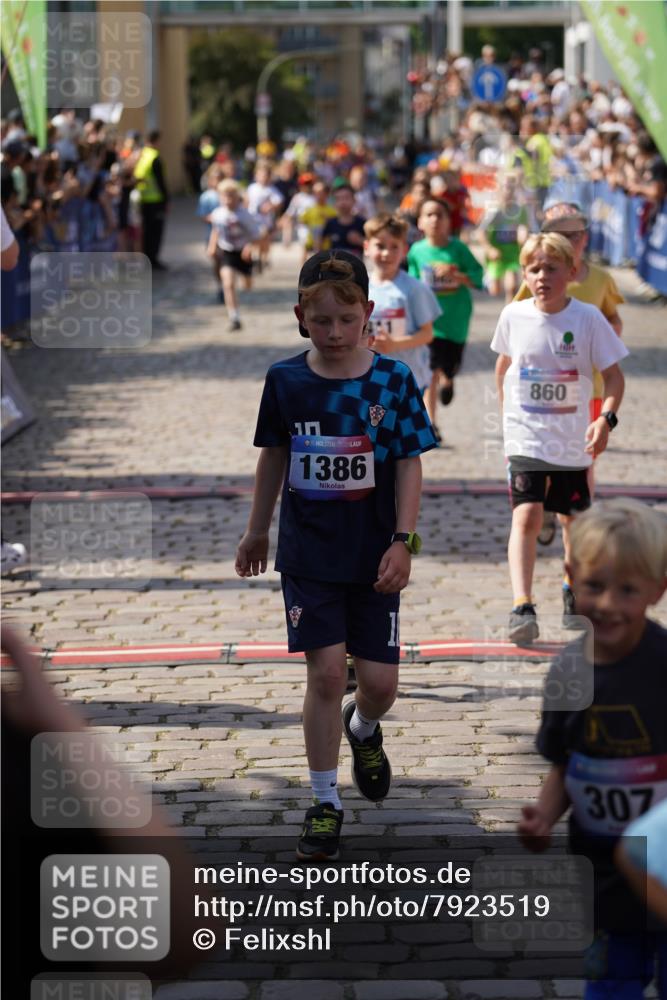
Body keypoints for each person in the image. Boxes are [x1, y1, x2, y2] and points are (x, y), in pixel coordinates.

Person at [234, 250, 436, 861]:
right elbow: (273, 455)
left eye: (346, 320)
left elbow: (408, 461)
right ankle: (324, 801)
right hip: (309, 554)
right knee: (324, 675)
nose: (335, 332)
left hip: (374, 556)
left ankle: (364, 727)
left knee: (378, 684)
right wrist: (257, 530)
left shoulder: (392, 380)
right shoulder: (286, 380)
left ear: (367, 314)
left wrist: (404, 541)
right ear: (301, 317)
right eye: (321, 321)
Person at [518, 499, 667, 998]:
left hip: (666, 876)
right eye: (594, 586)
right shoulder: (568, 673)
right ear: (570, 576)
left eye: (627, 590)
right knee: (609, 989)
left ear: (657, 588)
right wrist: (543, 813)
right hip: (603, 883)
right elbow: (565, 761)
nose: (607, 604)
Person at [491, 233, 627, 645]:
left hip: (571, 441)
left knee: (572, 522)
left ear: (571, 272)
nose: (541, 276)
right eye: (533, 269)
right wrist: (507, 416)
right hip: (526, 439)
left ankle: (572, 589)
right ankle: (522, 604)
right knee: (527, 516)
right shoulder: (513, 316)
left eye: (551, 268)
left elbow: (616, 377)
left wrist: (605, 419)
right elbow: (504, 366)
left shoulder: (588, 318)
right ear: (524, 273)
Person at [515, 201, 624, 555]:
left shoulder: (601, 279)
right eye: (556, 233)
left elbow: (614, 319)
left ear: (584, 238)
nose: (566, 240)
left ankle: (572, 526)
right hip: (541, 393)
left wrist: (606, 335)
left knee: (583, 466)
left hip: (587, 388)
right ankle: (545, 505)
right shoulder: (539, 273)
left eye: (572, 234)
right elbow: (518, 317)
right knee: (542, 463)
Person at [408, 198, 484, 444]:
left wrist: (456, 275)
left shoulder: (458, 249)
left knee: (448, 367)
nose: (434, 220)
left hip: (456, 321)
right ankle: (432, 424)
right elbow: (410, 281)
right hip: (429, 322)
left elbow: (478, 276)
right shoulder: (416, 251)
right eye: (428, 214)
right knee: (430, 371)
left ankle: (449, 380)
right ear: (420, 222)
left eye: (439, 214)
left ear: (448, 221)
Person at [364, 213, 441, 396]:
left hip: (407, 379)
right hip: (368, 376)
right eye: (380, 246)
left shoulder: (414, 289)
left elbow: (427, 333)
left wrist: (394, 344)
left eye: (394, 247)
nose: (386, 253)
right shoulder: (359, 288)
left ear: (404, 250)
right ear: (366, 247)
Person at [207, 179, 262, 332]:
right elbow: (216, 230)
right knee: (228, 283)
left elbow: (256, 236)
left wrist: (249, 247)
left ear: (238, 196)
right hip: (227, 252)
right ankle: (234, 317)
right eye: (224, 196)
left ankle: (248, 276)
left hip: (244, 253)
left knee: (247, 285)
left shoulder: (245, 215)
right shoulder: (218, 214)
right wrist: (212, 246)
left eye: (231, 196)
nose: (228, 200)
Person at [479, 173, 529, 302]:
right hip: (497, 254)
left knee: (512, 287)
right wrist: (489, 249)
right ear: (499, 190)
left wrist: (523, 236)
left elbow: (524, 227)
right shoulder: (494, 211)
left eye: (511, 189)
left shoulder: (520, 210)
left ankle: (509, 313)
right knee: (494, 291)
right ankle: (488, 279)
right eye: (505, 188)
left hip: (513, 253)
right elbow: (481, 232)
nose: (508, 192)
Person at [133, 130, 169, 270]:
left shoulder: (141, 155)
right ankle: (153, 259)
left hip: (143, 199)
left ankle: (148, 258)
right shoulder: (155, 157)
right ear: (156, 140)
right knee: (155, 232)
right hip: (156, 199)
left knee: (146, 231)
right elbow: (161, 181)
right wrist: (166, 200)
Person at [245, 160, 284, 269]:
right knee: (254, 239)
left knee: (264, 238)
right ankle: (256, 257)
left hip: (265, 220)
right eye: (261, 175)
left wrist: (270, 206)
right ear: (256, 175)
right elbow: (246, 201)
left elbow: (279, 201)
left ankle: (263, 257)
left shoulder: (271, 189)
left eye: (265, 176)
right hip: (252, 218)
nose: (263, 178)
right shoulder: (252, 187)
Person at [197, 163, 225, 303]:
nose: (217, 181)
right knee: (217, 262)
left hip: (227, 235)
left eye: (220, 178)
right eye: (214, 178)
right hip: (212, 235)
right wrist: (215, 219)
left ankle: (227, 285)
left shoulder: (227, 193)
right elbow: (202, 215)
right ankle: (221, 286)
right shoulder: (207, 196)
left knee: (227, 262)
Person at [318, 181, 366, 257]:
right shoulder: (330, 223)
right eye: (338, 198)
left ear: (354, 200)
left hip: (357, 267)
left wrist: (360, 241)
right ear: (334, 203)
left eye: (346, 198)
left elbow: (371, 246)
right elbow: (320, 244)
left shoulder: (362, 223)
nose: (343, 202)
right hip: (334, 267)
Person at [300, 180, 337, 262]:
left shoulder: (332, 210)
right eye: (315, 192)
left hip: (326, 246)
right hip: (311, 243)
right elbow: (302, 221)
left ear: (327, 194)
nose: (318, 195)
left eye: (320, 192)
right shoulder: (309, 209)